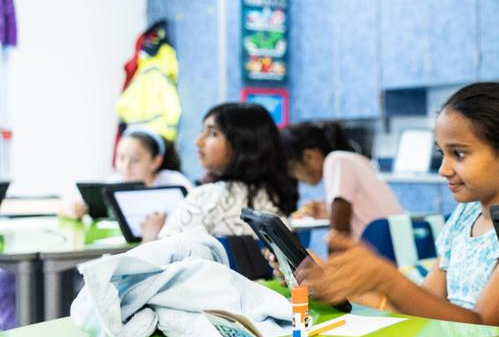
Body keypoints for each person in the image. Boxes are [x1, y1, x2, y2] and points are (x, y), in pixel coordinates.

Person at [296, 83, 499, 328]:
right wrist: (339, 284)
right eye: (442, 153)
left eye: (459, 154)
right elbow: (425, 305)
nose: (443, 169)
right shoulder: (465, 216)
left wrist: (387, 279)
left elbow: (486, 326)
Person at [141, 103, 298, 242]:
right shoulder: (274, 197)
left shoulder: (205, 197)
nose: (199, 141)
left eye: (212, 133)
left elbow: (158, 262)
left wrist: (149, 237)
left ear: (242, 143)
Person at [281, 121, 402, 238]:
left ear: (309, 156)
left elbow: (338, 236)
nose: (294, 176)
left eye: (292, 169)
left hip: (374, 253)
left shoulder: (336, 161)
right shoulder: (352, 159)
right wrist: (328, 211)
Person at [61, 128, 191, 219]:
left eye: (135, 160)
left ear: (155, 161)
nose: (126, 166)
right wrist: (73, 209)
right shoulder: (114, 183)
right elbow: (70, 205)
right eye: (121, 158)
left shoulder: (173, 182)